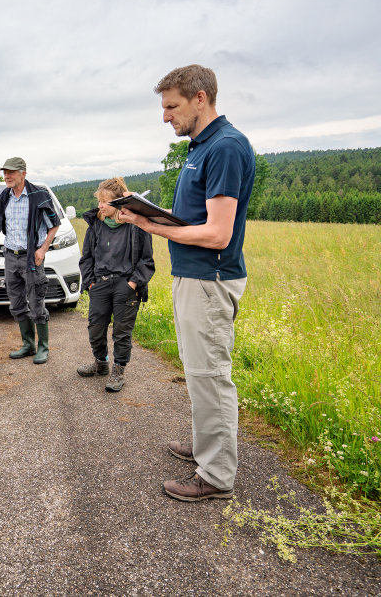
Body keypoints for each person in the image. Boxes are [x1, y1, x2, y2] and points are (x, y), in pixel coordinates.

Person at [115, 65, 255, 502]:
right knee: (198, 372)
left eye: (171, 106)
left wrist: (151, 226)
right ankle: (206, 443)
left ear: (200, 98)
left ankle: (215, 475)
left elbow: (217, 233)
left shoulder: (226, 148)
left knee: (210, 374)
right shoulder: (201, 146)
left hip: (209, 280)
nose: (165, 117)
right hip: (192, 277)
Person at [76, 177, 155, 392]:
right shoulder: (95, 225)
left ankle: (118, 371)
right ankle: (101, 363)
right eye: (99, 201)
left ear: (119, 202)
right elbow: (87, 258)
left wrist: (132, 283)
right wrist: (91, 282)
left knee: (121, 332)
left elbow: (147, 261)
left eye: (104, 201)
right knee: (95, 328)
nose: (99, 205)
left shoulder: (136, 225)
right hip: (100, 284)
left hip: (125, 286)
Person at [0, 157, 61, 364]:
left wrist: (43, 249)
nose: (7, 176)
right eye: (5, 173)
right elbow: (0, 223)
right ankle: (28, 345)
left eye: (11, 172)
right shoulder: (5, 196)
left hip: (32, 258)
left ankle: (43, 347)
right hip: (10, 257)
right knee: (17, 302)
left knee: (36, 302)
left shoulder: (38, 195)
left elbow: (53, 224)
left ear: (23, 173)